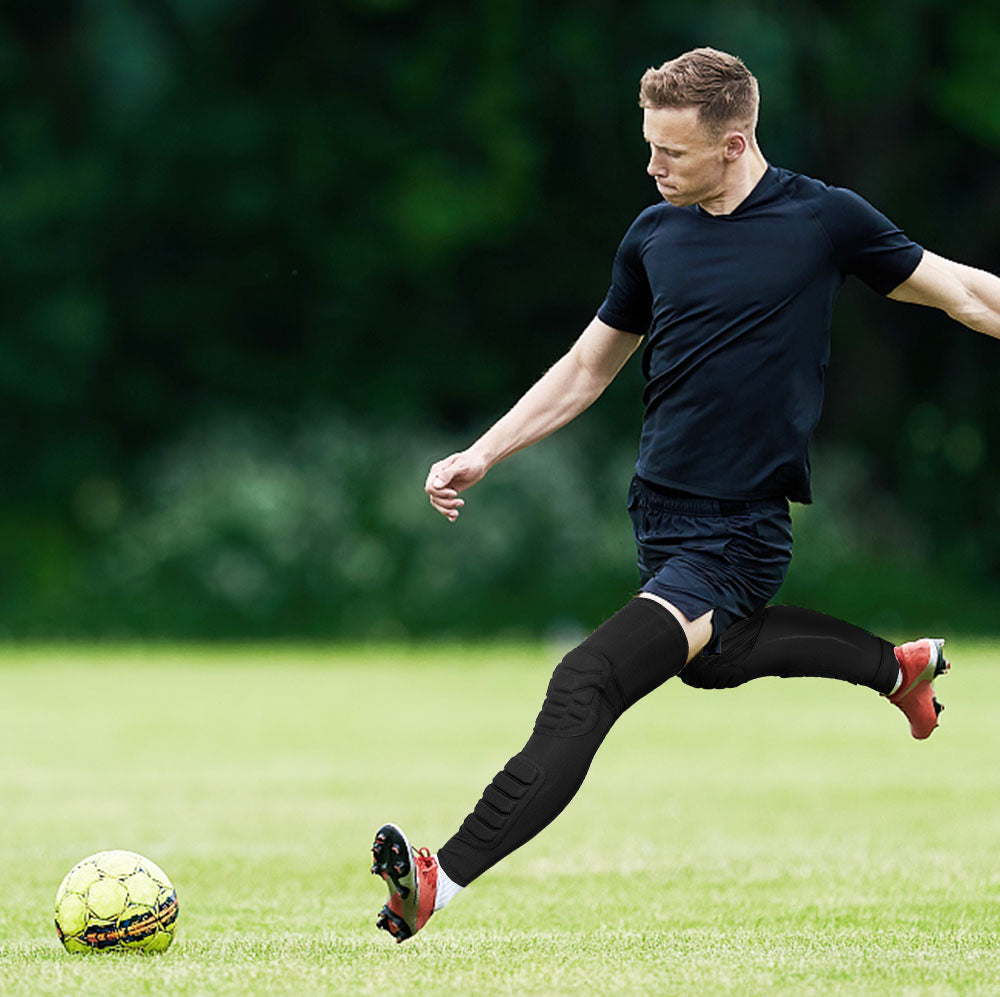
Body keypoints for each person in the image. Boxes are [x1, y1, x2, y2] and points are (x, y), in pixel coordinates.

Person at [369, 46, 1000, 943]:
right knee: (711, 659)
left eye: (672, 151)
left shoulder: (823, 220)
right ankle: (898, 670)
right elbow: (587, 368)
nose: (653, 166)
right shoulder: (654, 234)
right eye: (649, 146)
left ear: (734, 144)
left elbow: (967, 294)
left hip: (736, 533)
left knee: (587, 679)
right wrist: (484, 451)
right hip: (660, 516)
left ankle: (441, 881)